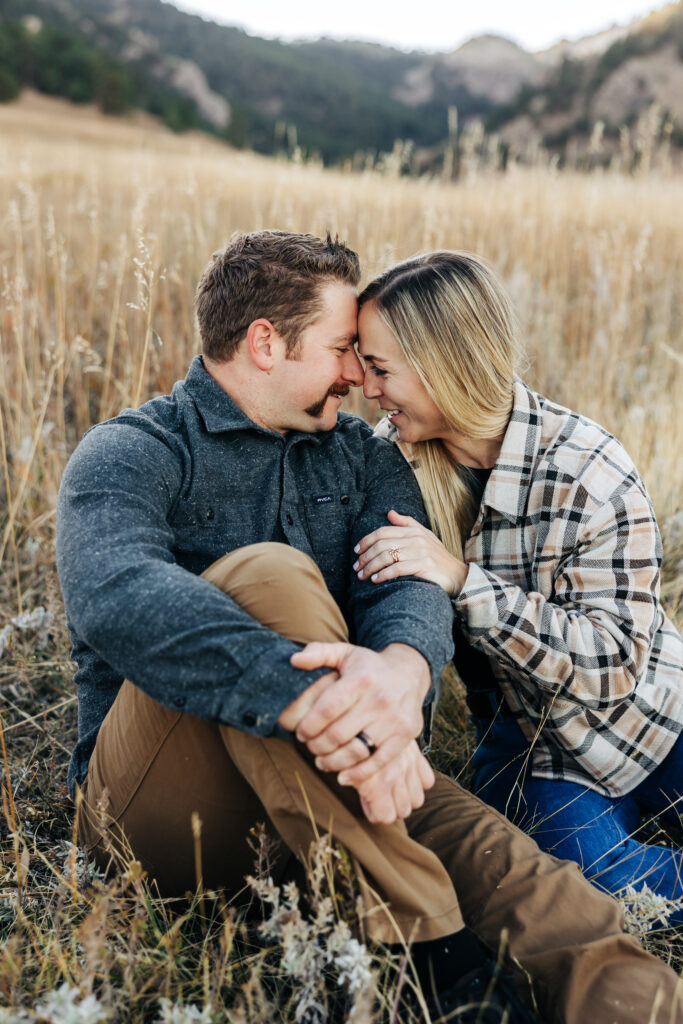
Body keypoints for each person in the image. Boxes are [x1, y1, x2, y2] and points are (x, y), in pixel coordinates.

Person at [57, 231, 683, 1024]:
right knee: (271, 576)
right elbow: (117, 595)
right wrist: (311, 699)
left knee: (531, 881)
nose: (357, 374)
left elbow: (406, 584)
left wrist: (398, 674)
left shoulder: (359, 454)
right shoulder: (133, 452)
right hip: (160, 819)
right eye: (341, 347)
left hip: (346, 774)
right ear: (263, 343)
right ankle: (426, 959)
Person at [352, 248, 683, 926]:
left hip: (651, 718)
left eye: (380, 368)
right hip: (529, 743)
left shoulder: (587, 470)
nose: (366, 387)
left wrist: (462, 581)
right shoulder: (392, 464)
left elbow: (615, 664)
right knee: (586, 884)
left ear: (444, 364)